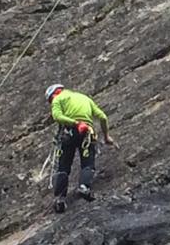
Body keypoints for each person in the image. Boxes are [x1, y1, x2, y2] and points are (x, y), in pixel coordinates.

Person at [45, 84, 117, 213]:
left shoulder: (57, 99)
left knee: (64, 167)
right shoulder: (85, 98)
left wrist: (75, 123)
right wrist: (106, 136)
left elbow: (57, 117)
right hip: (87, 133)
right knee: (88, 163)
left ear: (54, 94)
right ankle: (84, 187)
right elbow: (103, 117)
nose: (51, 102)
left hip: (70, 132)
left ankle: (60, 199)